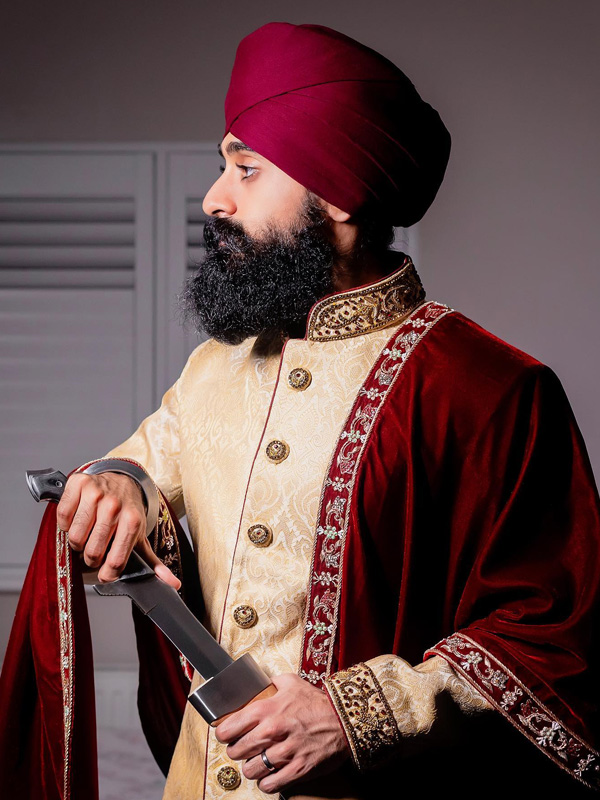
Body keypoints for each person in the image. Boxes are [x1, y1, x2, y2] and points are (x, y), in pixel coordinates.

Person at [52, 22, 600, 800]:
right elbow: (148, 463)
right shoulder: (215, 369)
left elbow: (557, 635)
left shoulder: (490, 389)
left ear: (339, 193)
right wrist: (119, 489)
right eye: (221, 166)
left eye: (247, 169)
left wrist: (356, 715)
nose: (214, 198)